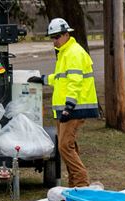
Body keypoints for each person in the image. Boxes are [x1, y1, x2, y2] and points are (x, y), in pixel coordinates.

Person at [29, 18, 97, 188]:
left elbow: (75, 81)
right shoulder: (65, 52)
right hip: (67, 109)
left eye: (57, 36)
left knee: (65, 146)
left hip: (74, 108)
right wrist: (42, 79)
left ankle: (82, 184)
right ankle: (75, 184)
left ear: (67, 34)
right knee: (69, 145)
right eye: (52, 37)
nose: (54, 40)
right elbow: (61, 79)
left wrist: (69, 107)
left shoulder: (73, 53)